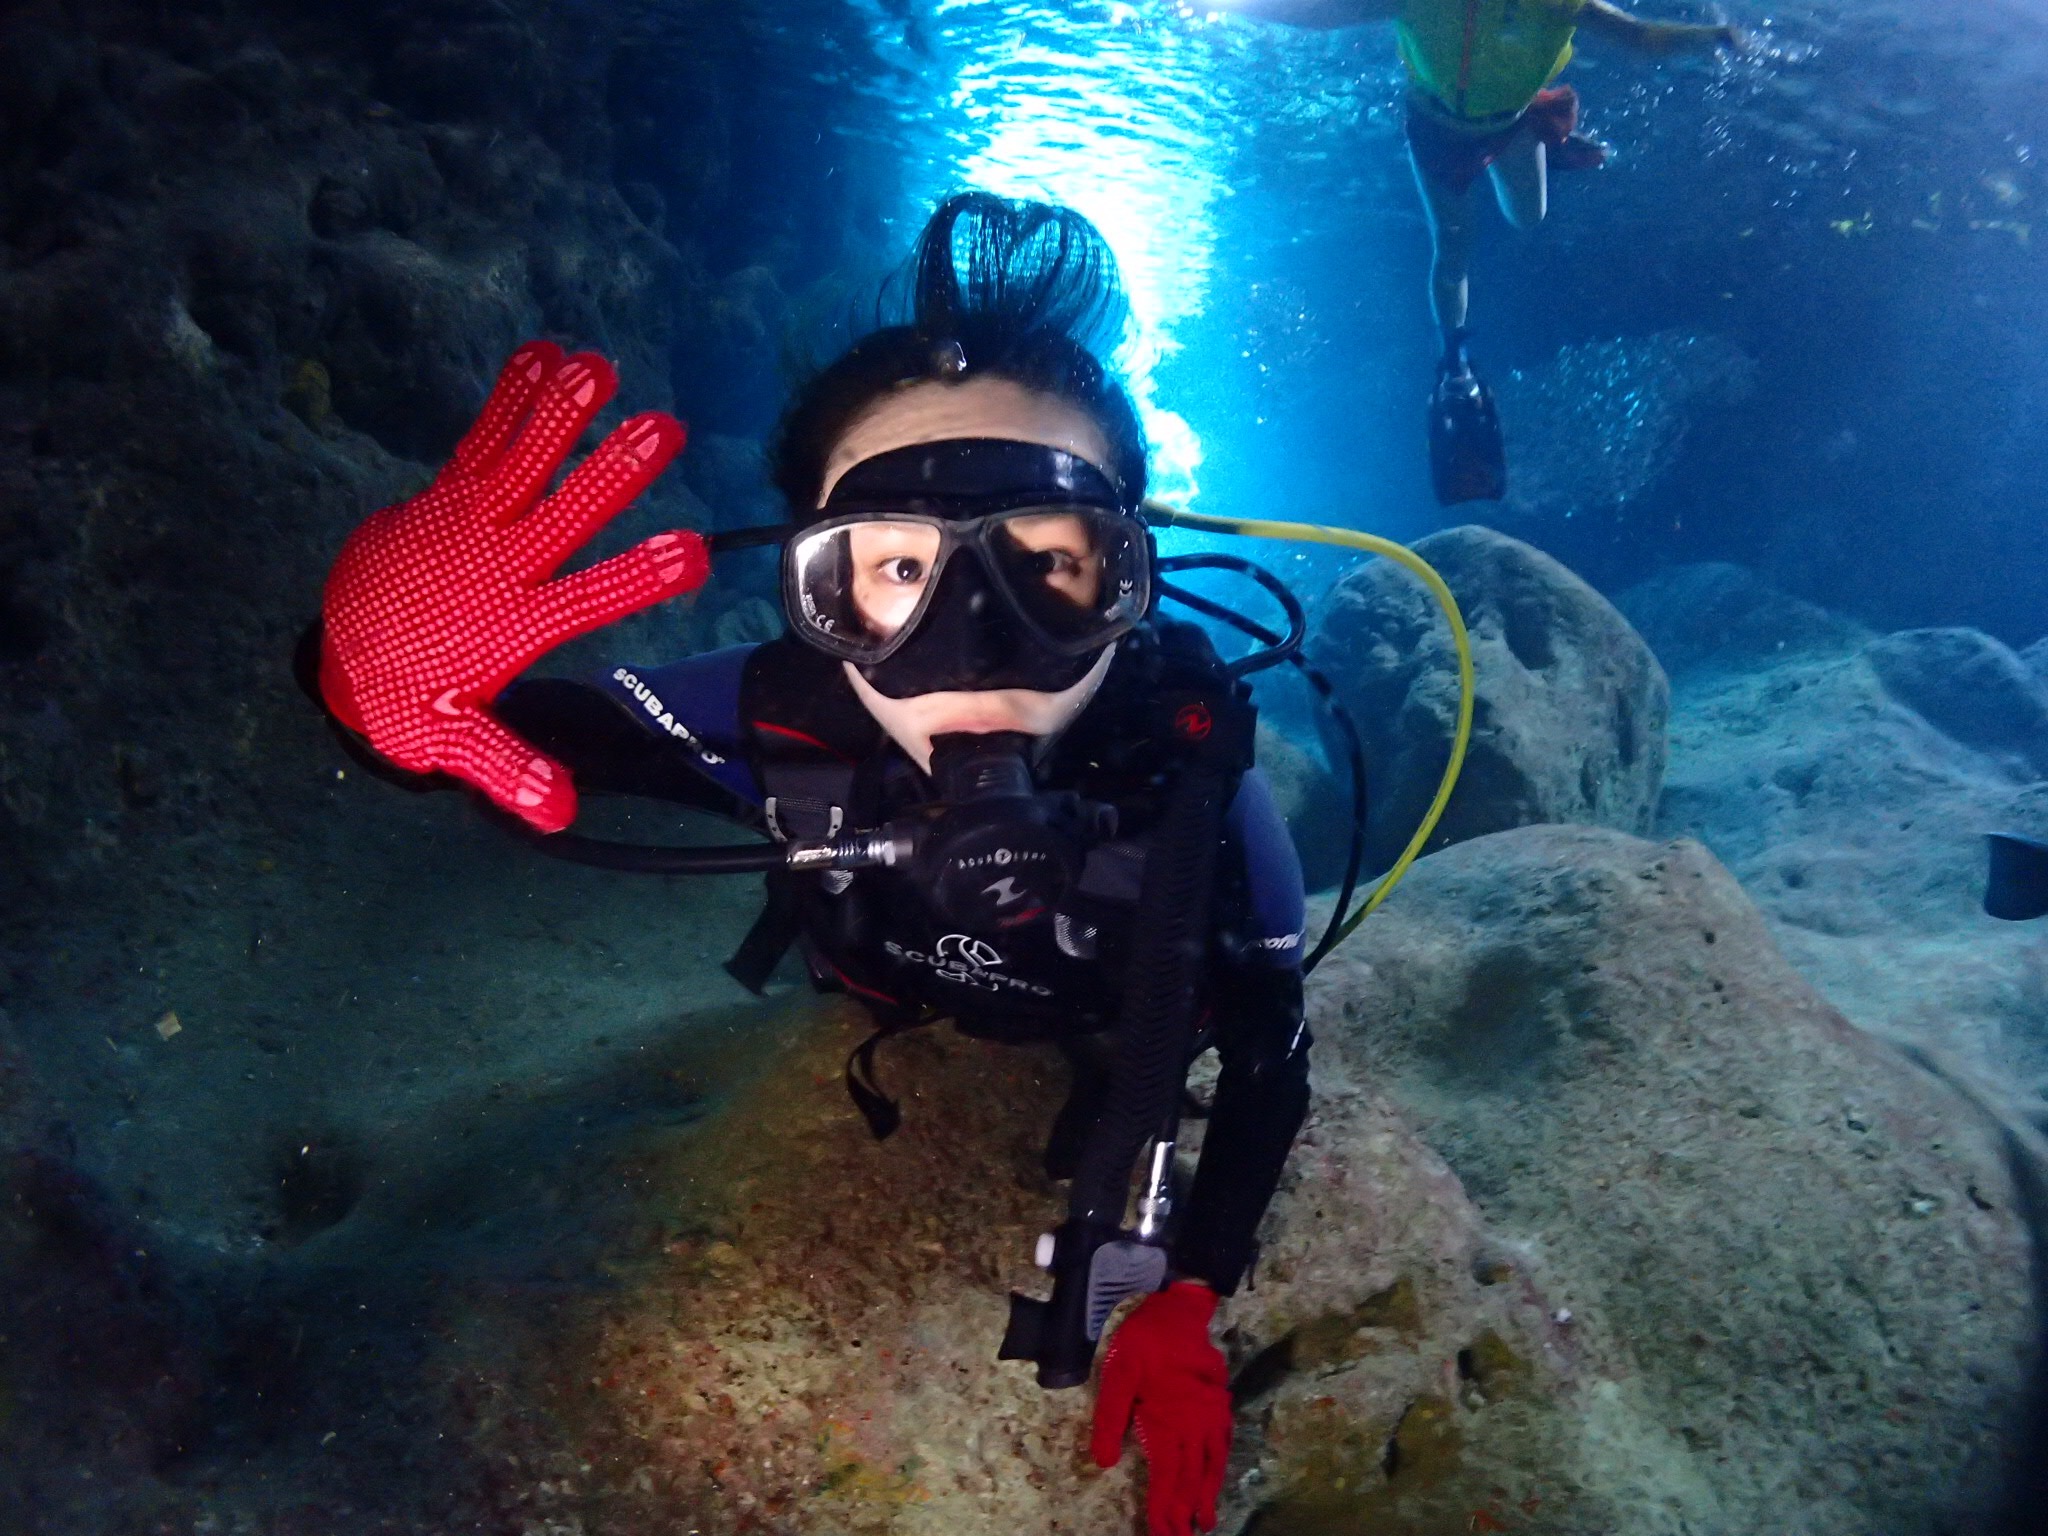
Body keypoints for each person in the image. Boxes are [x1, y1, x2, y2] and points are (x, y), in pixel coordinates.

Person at [306, 192, 1312, 1536]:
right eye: (893, 568)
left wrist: (1190, 1289)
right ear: (810, 588)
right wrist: (357, 675)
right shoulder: (779, 716)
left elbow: (1268, 1060)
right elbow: (454, 733)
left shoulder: (1186, 777)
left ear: (1129, 585)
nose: (974, 644)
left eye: (1051, 564)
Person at [1221, 0, 1745, 502]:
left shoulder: (1559, 2)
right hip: (1438, 129)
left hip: (1511, 124)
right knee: (1451, 249)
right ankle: (1454, 360)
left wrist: (1713, 37)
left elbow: (1639, 35)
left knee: (1528, 217)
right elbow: (1323, 11)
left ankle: (1549, 138)